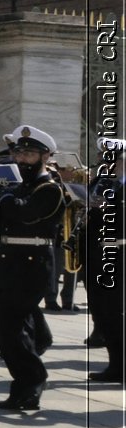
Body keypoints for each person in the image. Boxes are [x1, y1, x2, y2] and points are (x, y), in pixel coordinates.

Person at [0, 125, 67, 411]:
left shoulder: (50, 188)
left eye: (29, 154)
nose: (21, 159)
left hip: (33, 262)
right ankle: (21, 385)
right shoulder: (19, 185)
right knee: (4, 329)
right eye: (19, 153)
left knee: (13, 327)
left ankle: (33, 380)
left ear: (45, 156)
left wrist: (6, 195)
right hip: (10, 258)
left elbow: (24, 214)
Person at [86, 138, 124, 384]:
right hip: (99, 252)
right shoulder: (102, 183)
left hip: (121, 253)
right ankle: (116, 364)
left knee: (116, 311)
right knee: (102, 311)